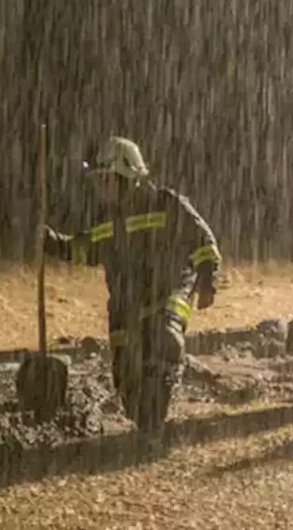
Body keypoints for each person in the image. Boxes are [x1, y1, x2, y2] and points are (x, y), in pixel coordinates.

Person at [43, 136, 222, 430]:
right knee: (126, 372)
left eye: (107, 179)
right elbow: (83, 248)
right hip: (126, 303)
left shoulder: (167, 204)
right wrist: (51, 243)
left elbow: (204, 241)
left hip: (170, 291)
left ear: (128, 176)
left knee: (163, 336)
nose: (102, 187)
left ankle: (166, 386)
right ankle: (142, 414)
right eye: (99, 180)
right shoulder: (108, 218)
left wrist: (208, 280)